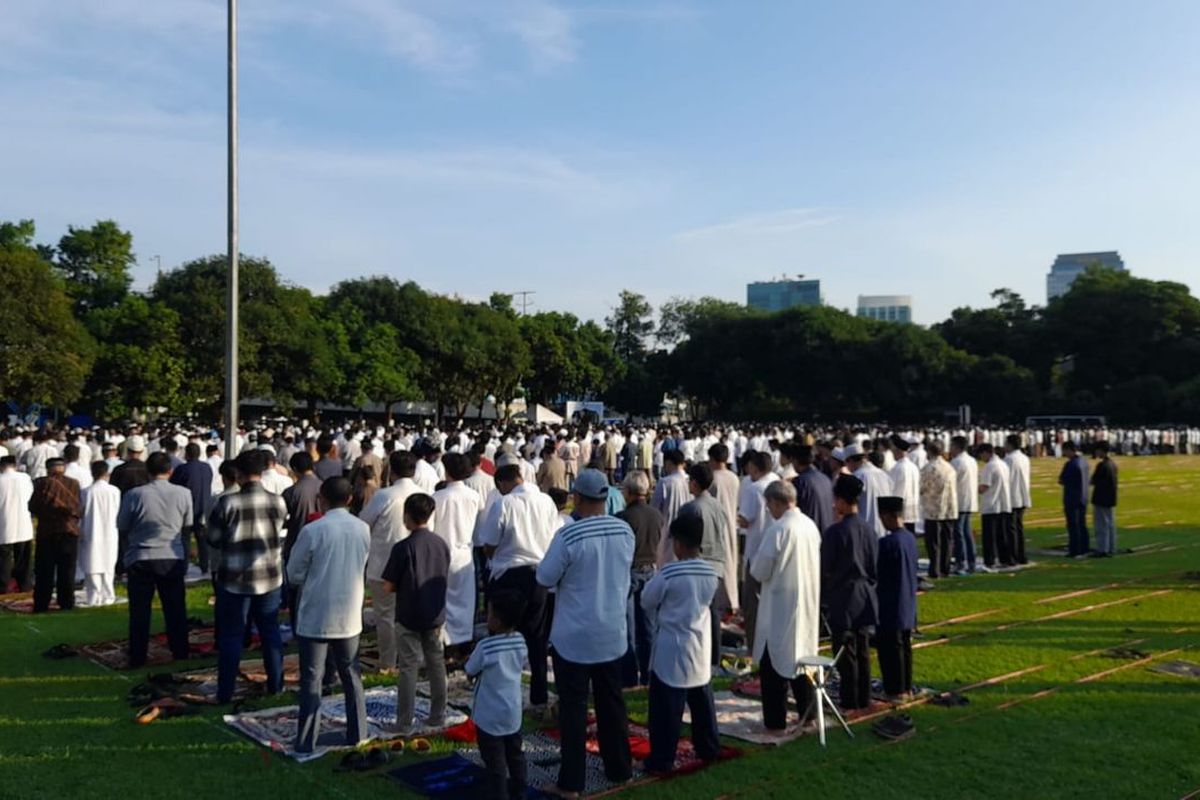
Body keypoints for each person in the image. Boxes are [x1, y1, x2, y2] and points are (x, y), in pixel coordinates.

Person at [536, 469, 634, 798]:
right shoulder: (624, 531)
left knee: (574, 710)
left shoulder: (570, 536)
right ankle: (619, 767)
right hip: (611, 631)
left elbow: (545, 577)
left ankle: (571, 782)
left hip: (575, 636)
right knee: (612, 704)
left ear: (577, 498)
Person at [288, 477, 371, 755]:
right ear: (349, 500)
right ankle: (358, 732)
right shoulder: (362, 528)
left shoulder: (314, 530)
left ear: (322, 499)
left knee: (312, 678)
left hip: (317, 614)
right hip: (348, 613)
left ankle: (306, 740)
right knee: (351, 673)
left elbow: (293, 573)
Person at [476, 463, 562, 709]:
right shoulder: (546, 501)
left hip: (510, 575)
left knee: (501, 636)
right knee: (537, 640)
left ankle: (498, 692)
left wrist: (494, 554)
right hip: (539, 575)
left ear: (503, 484)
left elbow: (490, 543)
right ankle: (539, 696)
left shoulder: (504, 504)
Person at [641, 514, 721, 772]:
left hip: (671, 646)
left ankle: (663, 758)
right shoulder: (710, 573)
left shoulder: (670, 573)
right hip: (699, 643)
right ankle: (709, 748)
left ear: (678, 543)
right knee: (702, 705)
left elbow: (647, 600)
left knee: (666, 710)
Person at [207, 449, 288, 704]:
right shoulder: (278, 502)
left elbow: (214, 538)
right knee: (269, 631)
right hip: (268, 575)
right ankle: (275, 685)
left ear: (239, 475)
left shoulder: (228, 503)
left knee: (231, 636)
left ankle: (225, 691)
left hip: (235, 578)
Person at [749, 480, 820, 733]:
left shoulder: (778, 530)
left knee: (774, 663)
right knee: (801, 657)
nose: (769, 510)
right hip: (805, 601)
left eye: (769, 505)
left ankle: (775, 721)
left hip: (779, 604)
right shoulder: (810, 526)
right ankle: (809, 712)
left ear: (777, 502)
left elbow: (760, 569)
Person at [381, 493, 449, 736]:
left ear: (407, 516)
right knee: (436, 663)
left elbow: (388, 586)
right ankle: (438, 714)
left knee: (409, 667)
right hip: (434, 612)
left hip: (408, 613)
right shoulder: (440, 543)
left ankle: (404, 721)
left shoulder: (403, 547)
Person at [118, 452, 193, 666]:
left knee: (140, 611)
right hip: (171, 555)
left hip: (142, 556)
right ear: (170, 471)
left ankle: (138, 655)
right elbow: (187, 527)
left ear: (147, 472)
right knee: (175, 609)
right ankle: (180, 650)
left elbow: (123, 525)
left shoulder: (135, 495)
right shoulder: (183, 494)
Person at [358, 450, 421, 673]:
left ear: (391, 471)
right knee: (407, 615)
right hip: (413, 565)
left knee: (386, 617)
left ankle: (388, 663)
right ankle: (408, 659)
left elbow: (363, 523)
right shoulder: (422, 494)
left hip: (384, 566)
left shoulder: (384, 496)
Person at [821, 474, 878, 711]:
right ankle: (863, 696)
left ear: (843, 501)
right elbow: (874, 564)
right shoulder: (869, 529)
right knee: (862, 648)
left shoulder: (836, 532)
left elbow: (826, 567)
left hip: (843, 596)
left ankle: (850, 698)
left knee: (845, 652)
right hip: (864, 594)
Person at [465, 591, 529, 800]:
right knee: (515, 754)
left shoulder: (486, 647)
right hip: (512, 711)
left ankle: (499, 794)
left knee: (495, 760)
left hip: (489, 714)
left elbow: (470, 669)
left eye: (489, 612)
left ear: (497, 621)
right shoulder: (520, 641)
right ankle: (520, 790)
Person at [676, 463, 731, 669]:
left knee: (695, 615)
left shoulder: (691, 508)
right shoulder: (718, 505)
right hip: (716, 564)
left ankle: (697, 655)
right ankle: (714, 657)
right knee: (712, 613)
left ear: (696, 483)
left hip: (699, 563)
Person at [430, 453, 483, 647]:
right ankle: (462, 640)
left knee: (444, 600)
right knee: (464, 600)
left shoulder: (437, 497)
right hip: (464, 553)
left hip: (442, 552)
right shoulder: (473, 496)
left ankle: (445, 640)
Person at [617, 470, 663, 688]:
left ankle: (628, 676)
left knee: (627, 627)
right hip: (651, 570)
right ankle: (648, 673)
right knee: (648, 627)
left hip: (630, 571)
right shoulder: (657, 515)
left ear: (628, 491)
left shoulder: (624, 518)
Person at [875, 497, 919, 701]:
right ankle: (906, 686)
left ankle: (894, 690)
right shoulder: (909, 538)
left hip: (890, 603)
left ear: (890, 516)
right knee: (904, 647)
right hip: (908, 601)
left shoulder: (887, 543)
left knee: (890, 651)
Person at [737, 450, 779, 653]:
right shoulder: (777, 481)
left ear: (755, 467)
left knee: (752, 604)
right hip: (775, 550)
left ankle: (754, 648)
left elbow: (745, 518)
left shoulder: (754, 488)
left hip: (756, 550)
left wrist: (735, 517)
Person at [29, 458, 82, 613]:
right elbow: (77, 505)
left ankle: (42, 604)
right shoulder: (74, 483)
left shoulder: (42, 483)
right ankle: (66, 602)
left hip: (48, 531)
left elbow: (33, 506)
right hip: (69, 530)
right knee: (67, 570)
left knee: (45, 571)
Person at [79, 461, 120, 606]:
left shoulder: (86, 492)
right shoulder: (114, 491)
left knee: (92, 565)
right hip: (109, 530)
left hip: (91, 530)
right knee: (108, 564)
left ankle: (94, 596)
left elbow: (81, 512)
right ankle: (108, 595)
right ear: (106, 473)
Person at [707, 443, 741, 613]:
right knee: (731, 560)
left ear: (712, 459)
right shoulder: (734, 477)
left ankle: (723, 601)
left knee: (719, 562)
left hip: (715, 524)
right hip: (730, 522)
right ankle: (732, 598)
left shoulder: (712, 479)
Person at [170, 442, 213, 573]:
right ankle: (205, 565)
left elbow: (173, 487)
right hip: (203, 506)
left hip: (186, 508)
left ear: (187, 454)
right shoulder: (207, 468)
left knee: (185, 539)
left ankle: (184, 566)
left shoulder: (182, 469)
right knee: (202, 539)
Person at [918, 441, 957, 580]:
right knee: (947, 540)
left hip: (933, 509)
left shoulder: (928, 468)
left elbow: (921, 488)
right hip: (949, 509)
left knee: (933, 542)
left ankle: (934, 569)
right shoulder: (950, 467)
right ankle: (944, 568)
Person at [0, 456, 35, 594]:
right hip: (23, 522)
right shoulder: (24, 478)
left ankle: (3, 587)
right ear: (14, 465)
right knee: (23, 558)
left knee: (4, 559)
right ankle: (24, 585)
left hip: (4, 523)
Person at [651, 450, 691, 565]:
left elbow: (654, 509)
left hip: (667, 532)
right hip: (689, 530)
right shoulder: (691, 481)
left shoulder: (665, 482)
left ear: (668, 463)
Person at [978, 444, 1014, 568]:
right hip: (1003, 504)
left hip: (991, 505)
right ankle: (1005, 558)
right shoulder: (1003, 464)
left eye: (981, 455)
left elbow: (984, 487)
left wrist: (973, 488)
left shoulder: (990, 466)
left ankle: (990, 560)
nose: (981, 458)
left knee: (989, 537)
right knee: (1001, 535)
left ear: (986, 453)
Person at [949, 436, 979, 575]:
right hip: (969, 499)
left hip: (960, 500)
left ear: (956, 446)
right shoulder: (972, 460)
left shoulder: (956, 462)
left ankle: (961, 562)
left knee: (959, 532)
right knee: (966, 532)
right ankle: (971, 560)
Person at [791, 445, 834, 535]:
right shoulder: (825, 478)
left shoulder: (800, 482)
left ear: (795, 461)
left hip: (810, 533)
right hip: (827, 530)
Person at [1058, 441, 1090, 557]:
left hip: (1072, 497)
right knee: (1082, 524)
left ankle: (1075, 549)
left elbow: (1062, 480)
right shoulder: (1084, 462)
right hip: (1084, 497)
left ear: (1069, 450)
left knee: (1073, 525)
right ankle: (1084, 547)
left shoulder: (1071, 464)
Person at [1004, 434, 1032, 565]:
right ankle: (1022, 555)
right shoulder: (1025, 458)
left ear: (1010, 444)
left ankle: (1013, 557)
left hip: (1012, 497)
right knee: (1019, 527)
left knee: (1011, 529)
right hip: (1023, 495)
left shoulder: (1009, 459)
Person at [1091, 442, 1119, 557]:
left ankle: (1103, 549)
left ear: (1101, 450)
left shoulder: (1102, 465)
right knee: (1110, 524)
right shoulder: (1113, 464)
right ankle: (1111, 547)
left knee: (1101, 525)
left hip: (1101, 498)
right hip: (1110, 497)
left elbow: (1093, 480)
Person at [888, 436, 920, 532]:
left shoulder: (897, 468)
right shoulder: (913, 467)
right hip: (912, 505)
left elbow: (891, 488)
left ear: (898, 451)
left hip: (900, 508)